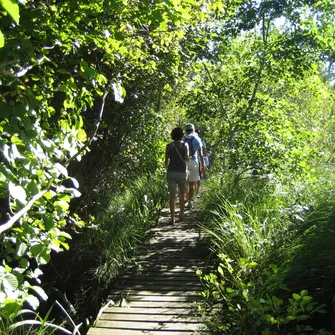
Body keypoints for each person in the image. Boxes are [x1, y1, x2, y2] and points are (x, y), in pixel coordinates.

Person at [165, 127, 189, 224]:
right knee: (182, 193)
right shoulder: (185, 145)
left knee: (172, 195)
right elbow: (187, 158)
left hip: (171, 171)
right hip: (181, 171)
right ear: (182, 135)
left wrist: (169, 167)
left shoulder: (169, 146)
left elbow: (166, 161)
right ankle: (182, 214)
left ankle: (172, 217)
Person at [183, 123, 207, 209]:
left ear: (186, 130)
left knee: (185, 183)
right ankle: (189, 202)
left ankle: (185, 198)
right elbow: (201, 154)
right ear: (193, 130)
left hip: (183, 163)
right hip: (193, 162)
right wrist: (203, 165)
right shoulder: (197, 139)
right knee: (192, 184)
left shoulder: (182, 139)